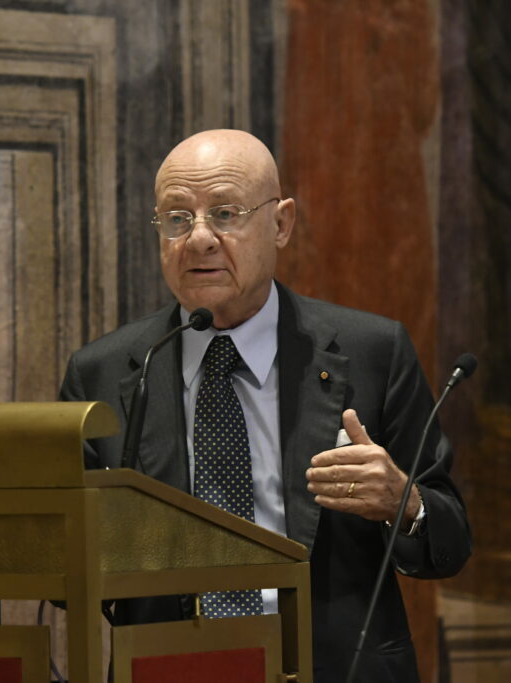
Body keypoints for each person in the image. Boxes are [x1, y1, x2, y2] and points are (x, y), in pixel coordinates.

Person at [60, 129, 471, 682]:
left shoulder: (372, 352)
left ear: (281, 224)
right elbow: (61, 573)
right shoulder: (103, 374)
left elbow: (451, 541)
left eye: (225, 214)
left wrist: (405, 501)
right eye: (177, 219)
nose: (198, 239)